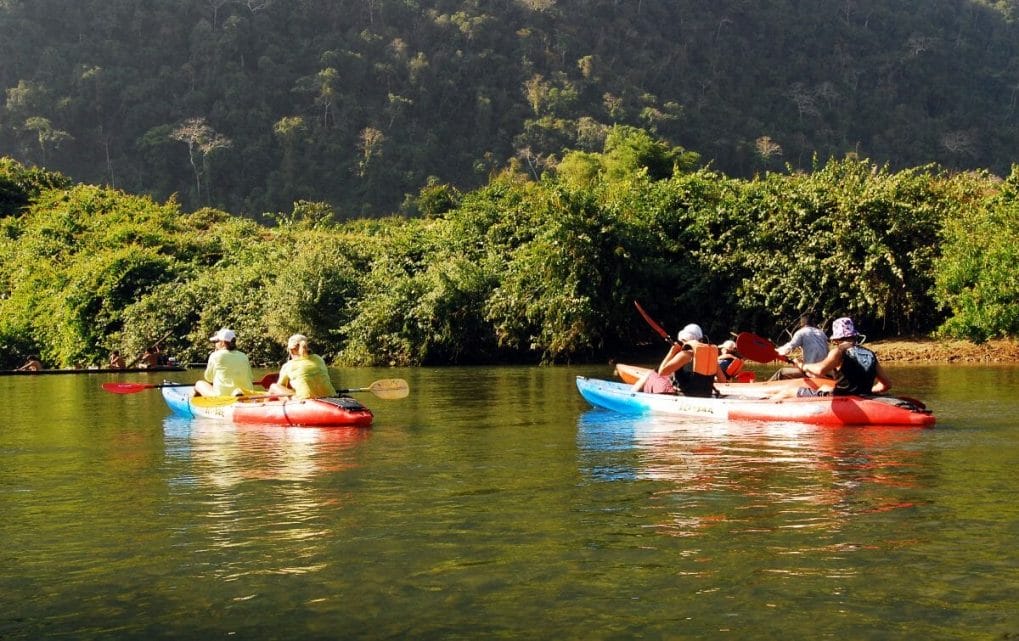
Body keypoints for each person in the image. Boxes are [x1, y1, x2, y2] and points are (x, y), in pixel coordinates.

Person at [776, 317, 892, 399]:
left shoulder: (838, 351)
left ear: (836, 339)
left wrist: (802, 365)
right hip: (862, 395)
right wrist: (868, 391)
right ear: (854, 335)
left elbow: (820, 370)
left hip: (841, 397)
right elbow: (886, 384)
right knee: (826, 387)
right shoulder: (870, 353)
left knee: (790, 391)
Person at [631, 323, 719, 397]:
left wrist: (672, 352)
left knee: (652, 373)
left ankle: (632, 395)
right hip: (706, 394)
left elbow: (661, 372)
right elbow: (722, 379)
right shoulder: (711, 355)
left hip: (687, 396)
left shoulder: (686, 354)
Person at [268, 334, 337, 399]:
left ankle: (263, 406)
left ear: (291, 351)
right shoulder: (318, 358)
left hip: (306, 401)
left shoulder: (288, 366)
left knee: (273, 387)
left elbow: (280, 388)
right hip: (331, 397)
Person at [194, 328, 254, 397]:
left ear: (222, 343)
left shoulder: (215, 355)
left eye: (216, 341)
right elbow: (251, 377)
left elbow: (208, 378)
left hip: (222, 397)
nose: (215, 344)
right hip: (246, 395)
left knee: (199, 384)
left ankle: (191, 402)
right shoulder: (244, 356)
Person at [769, 314, 829, 380]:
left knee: (781, 372)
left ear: (801, 324)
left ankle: (765, 386)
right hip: (825, 370)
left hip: (812, 372)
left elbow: (788, 348)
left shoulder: (801, 332)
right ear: (813, 324)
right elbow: (827, 352)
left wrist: (775, 350)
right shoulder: (822, 333)